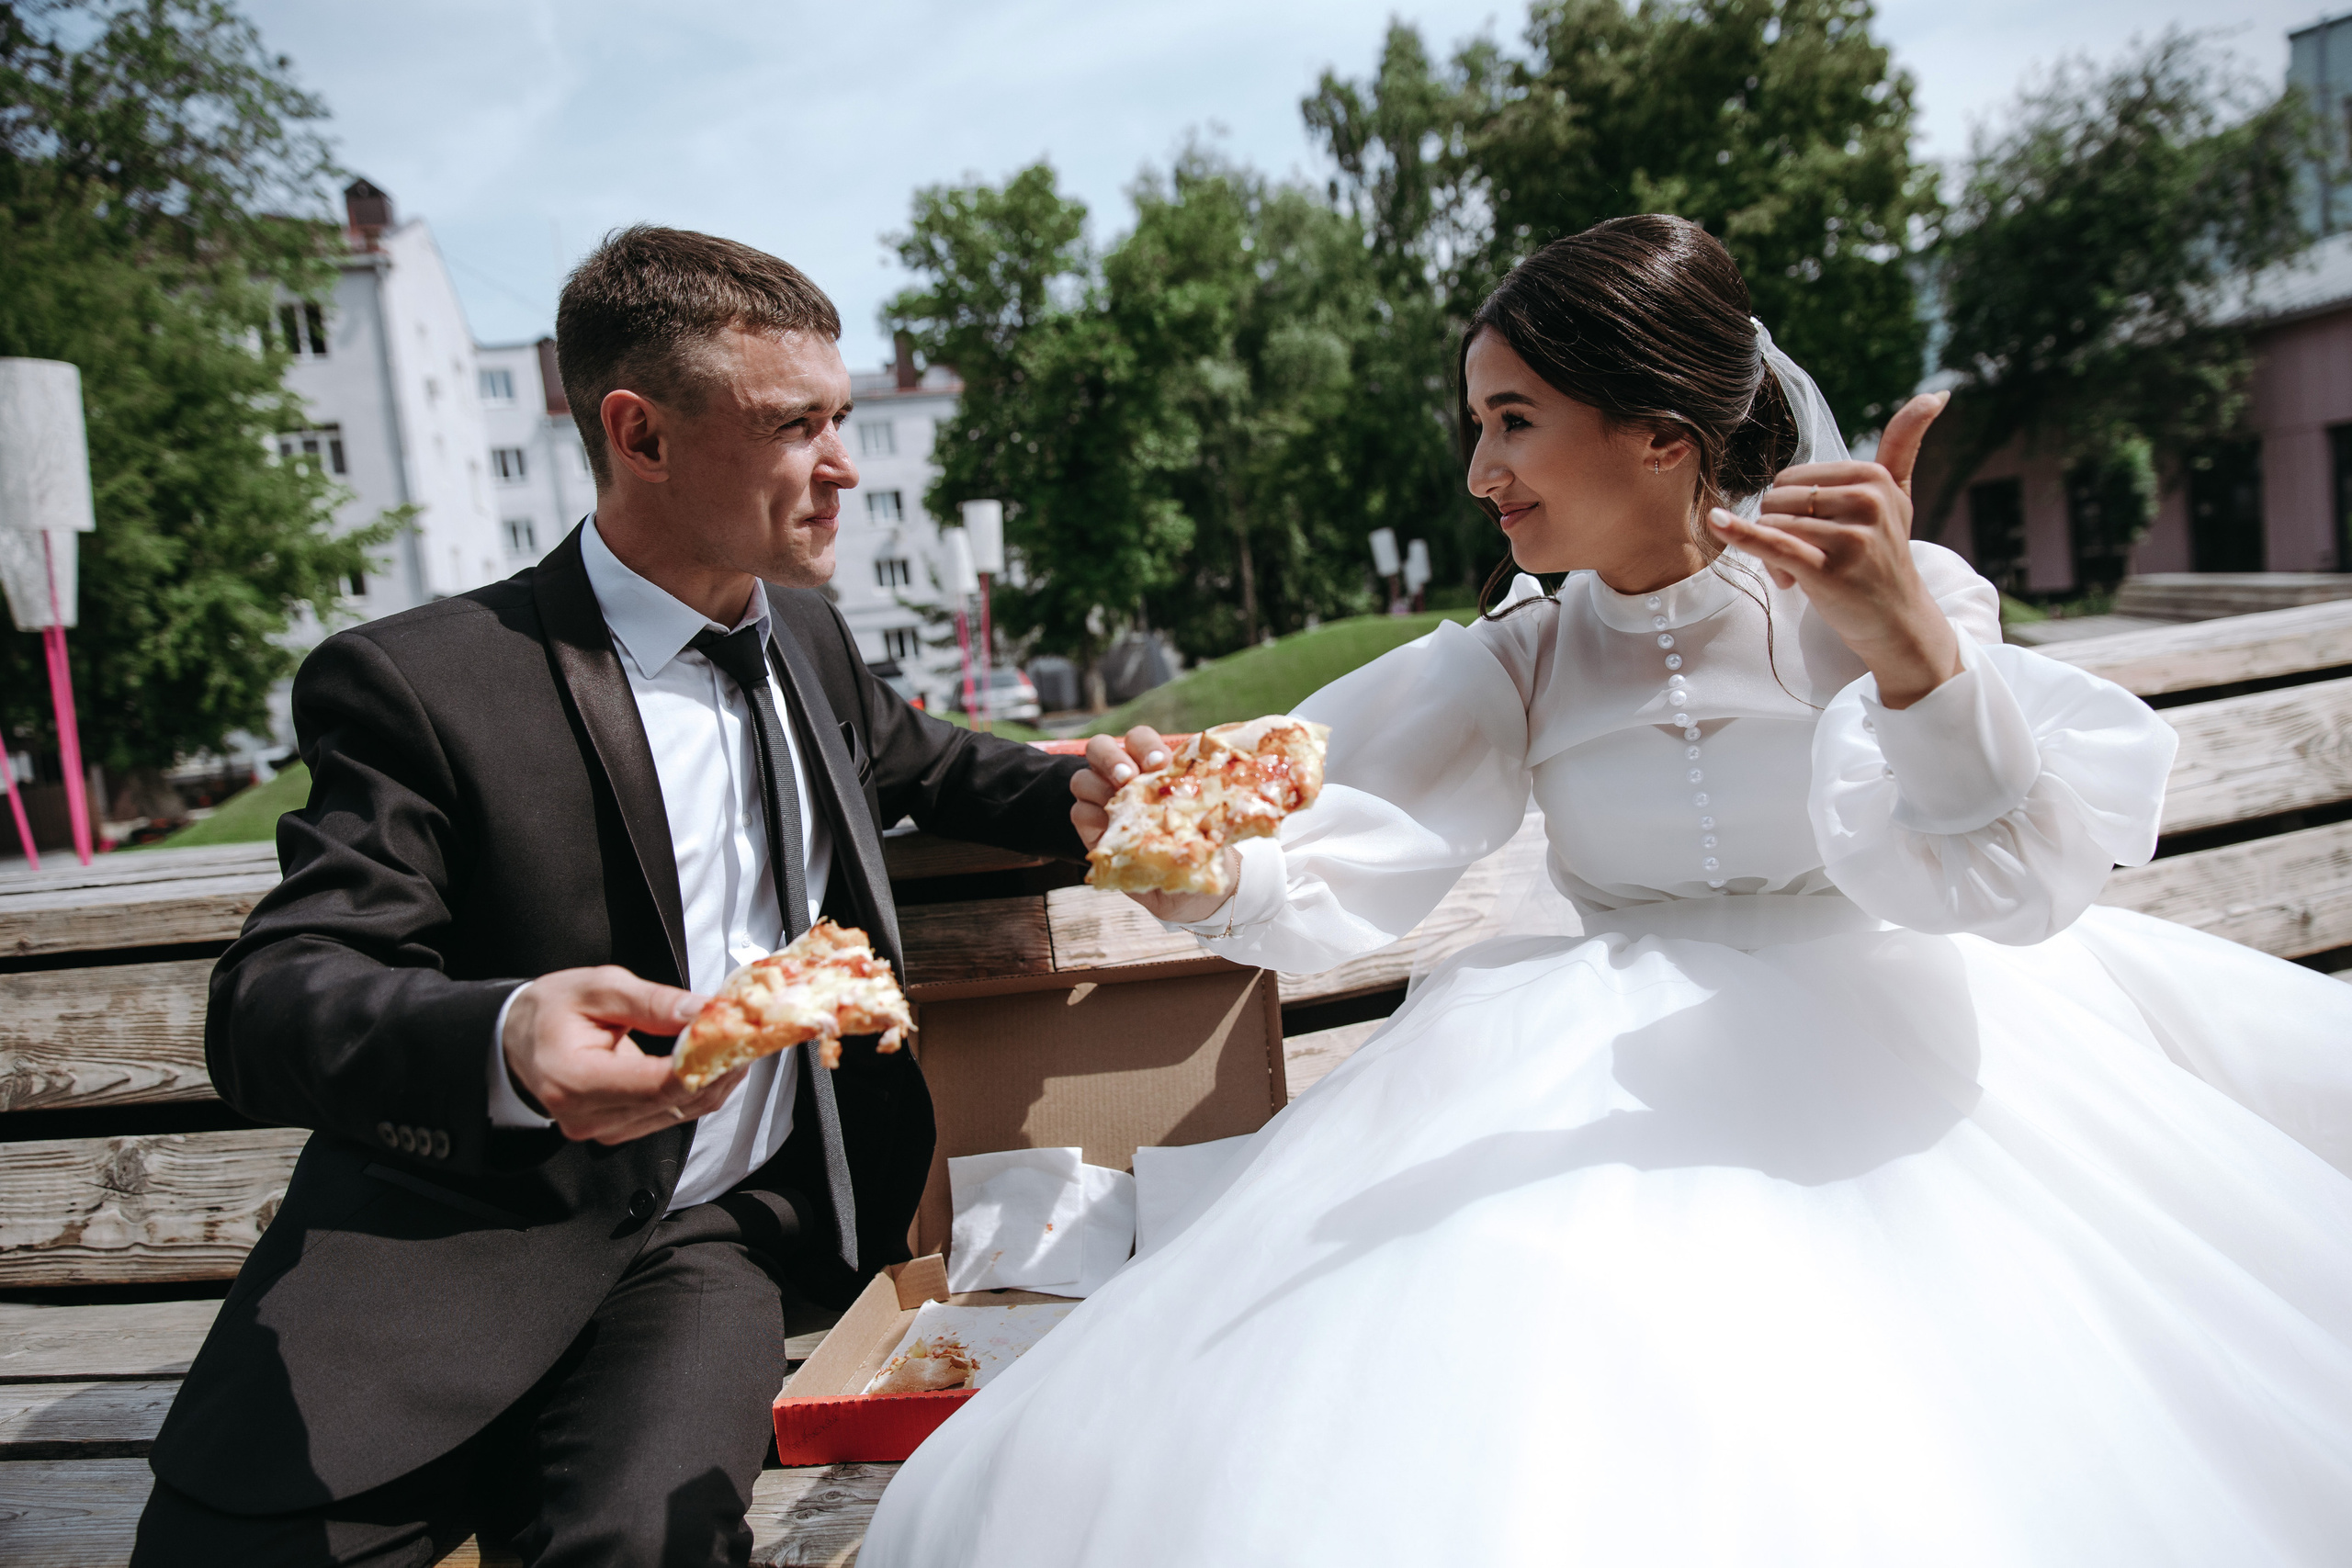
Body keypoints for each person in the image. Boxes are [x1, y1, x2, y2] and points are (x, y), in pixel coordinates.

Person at [864, 214, 2352, 1565]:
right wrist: (1193, 862)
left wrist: (1910, 654)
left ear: (1658, 433)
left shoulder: (1885, 597)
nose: (1478, 472)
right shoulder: (1513, 660)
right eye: (1475, 423)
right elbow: (1346, 841)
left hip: (1927, 1051)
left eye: (1513, 421)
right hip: (1583, 1082)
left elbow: (2016, 887)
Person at [134, 227, 1139, 1566]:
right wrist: (503, 1041)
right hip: (444, 1267)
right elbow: (271, 1001)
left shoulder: (808, 636)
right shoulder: (419, 684)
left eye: (840, 419)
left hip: (711, 1248)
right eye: (796, 427)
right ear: (640, 435)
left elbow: (927, 763)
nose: (844, 465)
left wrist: (1086, 794)